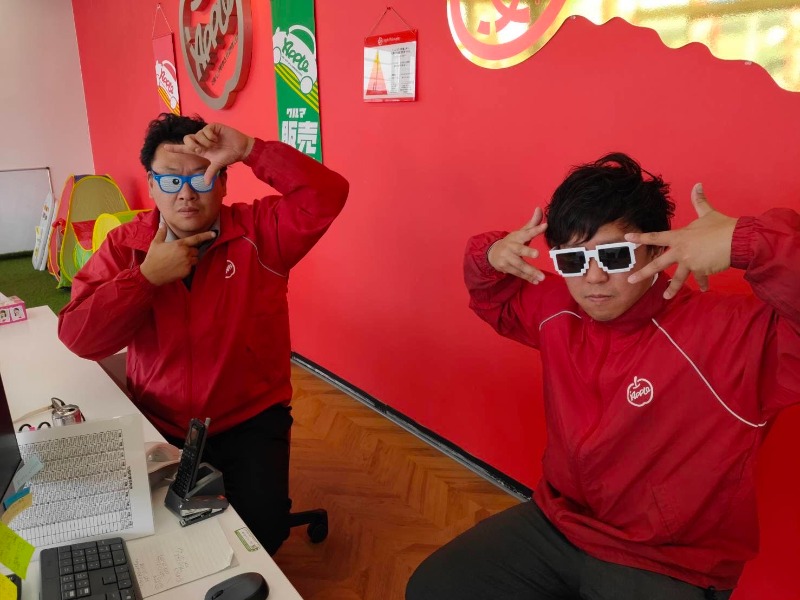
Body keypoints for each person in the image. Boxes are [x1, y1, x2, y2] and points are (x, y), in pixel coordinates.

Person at [406, 153, 799, 599]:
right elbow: (493, 296)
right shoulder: (558, 308)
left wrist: (747, 242)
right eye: (573, 260)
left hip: (670, 560)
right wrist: (491, 253)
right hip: (560, 522)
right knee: (435, 587)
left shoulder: (730, 334)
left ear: (658, 249)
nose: (593, 278)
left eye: (613, 255)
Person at [58, 113, 349, 554]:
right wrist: (145, 279)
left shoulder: (260, 232)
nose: (187, 193)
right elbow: (79, 337)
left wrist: (250, 149)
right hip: (160, 420)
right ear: (151, 185)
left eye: (202, 176)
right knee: (163, 537)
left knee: (263, 535)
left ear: (224, 181)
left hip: (249, 419)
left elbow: (327, 195)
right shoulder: (125, 246)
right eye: (171, 180)